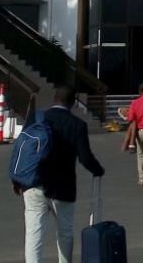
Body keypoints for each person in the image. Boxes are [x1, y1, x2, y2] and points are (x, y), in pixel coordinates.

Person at [15, 84, 105, 263]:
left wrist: (17, 179)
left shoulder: (37, 118)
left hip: (32, 183)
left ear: (54, 99)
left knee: (34, 234)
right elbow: (85, 158)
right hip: (62, 187)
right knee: (64, 233)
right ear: (72, 103)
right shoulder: (77, 125)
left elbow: (22, 149)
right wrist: (98, 170)